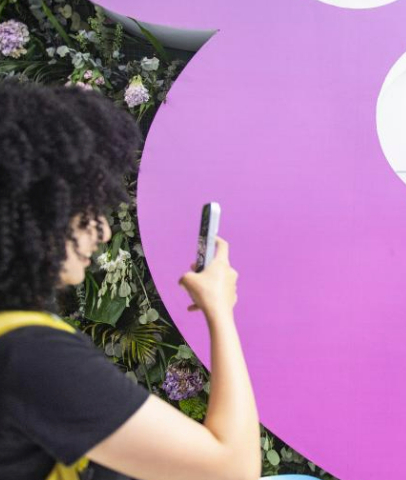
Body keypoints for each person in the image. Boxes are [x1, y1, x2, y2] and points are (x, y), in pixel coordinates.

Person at [0, 81, 261, 480]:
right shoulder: (28, 355)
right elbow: (233, 469)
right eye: (84, 209)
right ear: (35, 211)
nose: (103, 231)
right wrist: (220, 312)